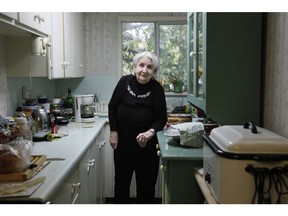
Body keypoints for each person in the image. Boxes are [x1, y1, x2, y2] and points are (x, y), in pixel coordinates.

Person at [108, 51, 167, 204]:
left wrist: (150, 132)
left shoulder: (157, 89)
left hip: (146, 148)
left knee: (146, 189)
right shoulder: (124, 82)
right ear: (135, 67)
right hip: (123, 147)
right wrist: (113, 131)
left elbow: (161, 119)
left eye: (149, 67)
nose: (144, 70)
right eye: (141, 65)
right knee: (121, 185)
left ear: (153, 71)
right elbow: (112, 107)